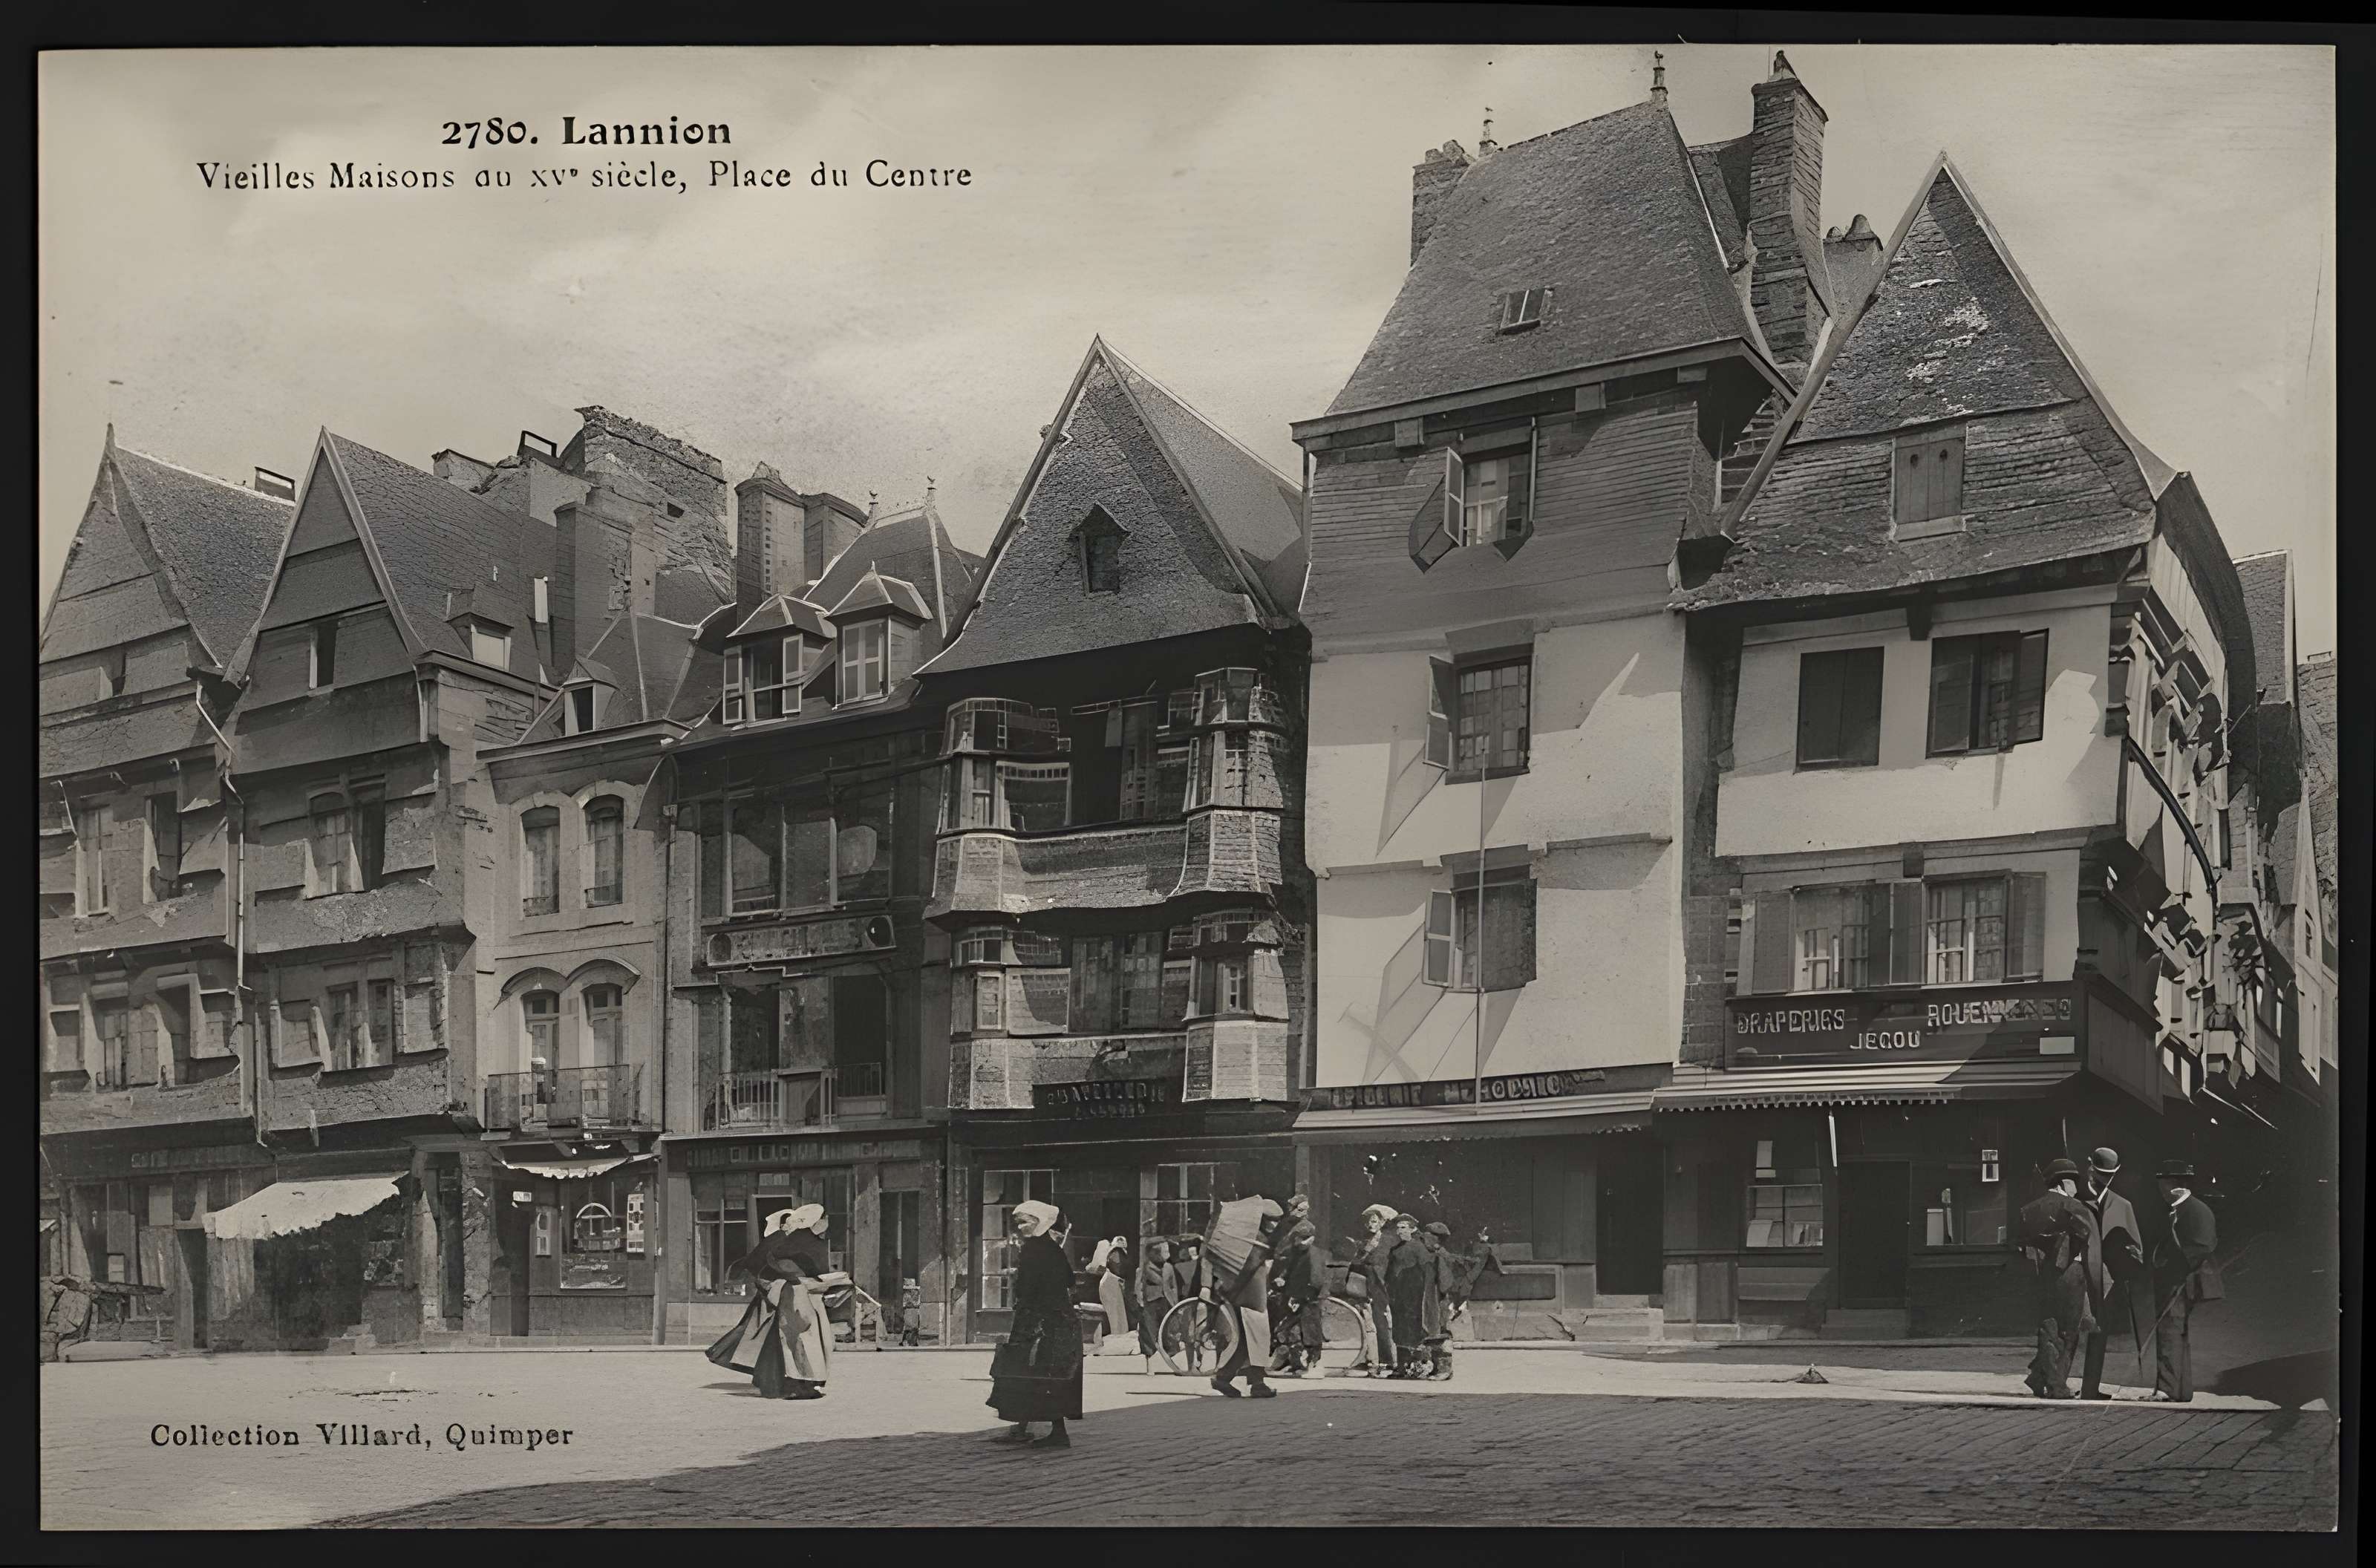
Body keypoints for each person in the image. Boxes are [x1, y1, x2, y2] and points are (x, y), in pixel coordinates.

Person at [703, 1204, 835, 1400]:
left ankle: (774, 1382)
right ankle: (785, 1384)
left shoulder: (786, 1240)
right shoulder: (786, 1241)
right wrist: (783, 1283)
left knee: (773, 1343)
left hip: (778, 1298)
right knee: (783, 1343)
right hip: (782, 1298)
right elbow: (764, 1265)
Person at [987, 1200, 1085, 1448]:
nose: (1020, 1227)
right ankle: (1022, 1427)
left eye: (1025, 1222)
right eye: (1018, 1222)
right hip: (1043, 1317)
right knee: (1029, 1371)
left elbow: (1041, 1285)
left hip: (1042, 1320)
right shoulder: (1047, 1247)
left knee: (1040, 1372)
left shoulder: (1038, 1249)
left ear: (1039, 1222)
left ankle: (1057, 1433)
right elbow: (1068, 1279)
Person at [2016, 1160, 2096, 1399]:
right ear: (2063, 1182)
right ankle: (2057, 1386)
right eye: (2073, 1182)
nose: (2076, 1187)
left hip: (2043, 1275)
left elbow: (2022, 1246)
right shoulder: (2075, 1207)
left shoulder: (2029, 1210)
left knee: (2048, 1327)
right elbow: (2086, 1237)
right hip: (2071, 1274)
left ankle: (2040, 1379)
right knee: (2069, 1332)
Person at [2148, 1160, 2220, 1404]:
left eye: (2162, 1185)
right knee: (2174, 1333)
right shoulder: (2179, 1210)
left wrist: (2174, 1267)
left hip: (2181, 1282)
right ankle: (2179, 1390)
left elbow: (2203, 1246)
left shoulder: (2196, 1210)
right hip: (2174, 1281)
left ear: (2175, 1185)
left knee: (2170, 1332)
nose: (2161, 1191)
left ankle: (2169, 1389)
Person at [2078, 1147, 2145, 1400]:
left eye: (2111, 1175)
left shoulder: (2123, 1206)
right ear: (2090, 1168)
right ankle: (2056, 1384)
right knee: (2069, 1331)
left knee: (2099, 1332)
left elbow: (2137, 1249)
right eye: (2102, 1173)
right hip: (2078, 1274)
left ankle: (2090, 1389)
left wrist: (2128, 1261)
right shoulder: (2074, 1199)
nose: (2106, 1179)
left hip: (2106, 1279)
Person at [1210, 1196, 1283, 1399]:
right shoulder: (1257, 1240)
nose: (1274, 1224)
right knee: (1256, 1339)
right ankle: (1253, 1383)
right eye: (1270, 1220)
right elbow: (1249, 1267)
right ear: (1261, 1220)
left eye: (1277, 1220)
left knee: (1249, 1342)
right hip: (1249, 1298)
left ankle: (1229, 1379)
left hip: (1251, 1296)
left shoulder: (1252, 1238)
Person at [1268, 1221, 1328, 1376]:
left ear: (1311, 1239)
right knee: (1289, 1331)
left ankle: (1315, 1365)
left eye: (1303, 1238)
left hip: (1309, 1299)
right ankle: (1295, 1363)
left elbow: (1316, 1280)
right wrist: (1282, 1279)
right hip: (1294, 1297)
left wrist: (1303, 1297)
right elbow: (1289, 1270)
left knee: (1311, 1333)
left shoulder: (1314, 1254)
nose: (1298, 1242)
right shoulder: (1297, 1252)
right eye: (1297, 1238)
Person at [1383, 1214, 1439, 1379]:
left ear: (1413, 1229)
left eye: (1403, 1227)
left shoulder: (1419, 1248)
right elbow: (1389, 1273)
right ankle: (1402, 1367)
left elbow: (1427, 1273)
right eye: (1398, 1228)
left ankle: (1417, 1366)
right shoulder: (1394, 1250)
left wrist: (1425, 1296)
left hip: (1415, 1296)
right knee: (1399, 1330)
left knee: (1415, 1330)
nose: (1399, 1231)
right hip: (1397, 1296)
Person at [1351, 1203, 1399, 1376]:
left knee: (1384, 1323)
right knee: (1369, 1324)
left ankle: (1388, 1361)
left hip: (1382, 1286)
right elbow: (1357, 1262)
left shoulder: (1387, 1241)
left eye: (1374, 1221)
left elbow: (1386, 1265)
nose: (1370, 1225)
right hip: (1368, 1286)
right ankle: (1371, 1359)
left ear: (1382, 1222)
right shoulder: (1365, 1241)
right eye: (1368, 1222)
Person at [1420, 1221, 1463, 1380]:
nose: (1425, 1240)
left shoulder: (1441, 1257)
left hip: (1439, 1300)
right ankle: (1436, 1367)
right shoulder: (1430, 1255)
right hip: (1429, 1298)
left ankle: (1444, 1369)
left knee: (1441, 1334)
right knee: (1431, 1334)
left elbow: (1446, 1284)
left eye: (1428, 1237)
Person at [1169, 1234, 1212, 1372]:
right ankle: (1197, 1364)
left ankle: (1192, 1365)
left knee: (1191, 1336)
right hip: (1199, 1302)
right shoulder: (1203, 1264)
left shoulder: (1180, 1266)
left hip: (1190, 1302)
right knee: (1197, 1335)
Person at [1135, 1238, 1175, 1371]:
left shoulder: (1169, 1267)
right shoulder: (1145, 1267)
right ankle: (1149, 1361)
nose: (1162, 1255)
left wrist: (1175, 1302)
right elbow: (1139, 1286)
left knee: (1166, 1331)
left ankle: (1169, 1361)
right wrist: (1140, 1301)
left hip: (1166, 1302)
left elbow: (1173, 1286)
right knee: (1149, 1332)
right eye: (1158, 1252)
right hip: (1150, 1301)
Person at [1091, 1236, 1133, 1344]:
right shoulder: (1115, 1254)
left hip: (1114, 1282)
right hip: (1110, 1282)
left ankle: (1119, 1338)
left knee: (1119, 1312)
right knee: (1114, 1314)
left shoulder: (1120, 1254)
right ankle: (1117, 1339)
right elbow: (1117, 1268)